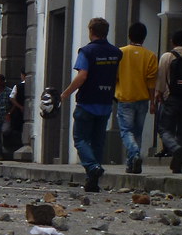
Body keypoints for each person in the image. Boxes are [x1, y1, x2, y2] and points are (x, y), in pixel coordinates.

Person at [60, 17, 122, 191]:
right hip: (105, 101)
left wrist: (65, 93)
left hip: (87, 101)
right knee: (97, 142)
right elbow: (116, 76)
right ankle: (92, 182)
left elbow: (82, 76)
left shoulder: (86, 52)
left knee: (80, 139)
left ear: (91, 31)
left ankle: (93, 167)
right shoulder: (116, 53)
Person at [115, 22, 157, 174]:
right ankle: (131, 164)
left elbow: (115, 77)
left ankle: (134, 153)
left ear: (129, 35)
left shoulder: (120, 53)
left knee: (126, 131)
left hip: (125, 98)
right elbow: (151, 82)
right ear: (144, 37)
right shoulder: (150, 56)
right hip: (143, 100)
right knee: (137, 133)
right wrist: (153, 102)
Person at [155, 29, 182, 174]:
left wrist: (158, 94)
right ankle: (178, 163)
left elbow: (161, 78)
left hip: (171, 98)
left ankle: (173, 147)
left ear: (172, 41)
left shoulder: (166, 57)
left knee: (164, 128)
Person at [8, 67, 29, 152]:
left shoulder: (17, 86)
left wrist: (19, 107)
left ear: (23, 75)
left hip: (19, 112)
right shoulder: (31, 84)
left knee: (18, 129)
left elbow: (12, 98)